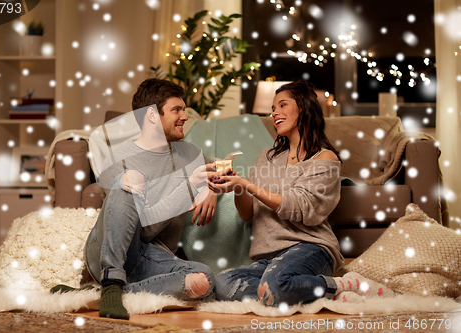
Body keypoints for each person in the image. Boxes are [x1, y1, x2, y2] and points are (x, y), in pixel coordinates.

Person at [210, 80, 394, 306]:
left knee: (276, 287)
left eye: (282, 105)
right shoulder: (267, 156)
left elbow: (298, 207)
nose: (275, 113)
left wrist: (246, 183)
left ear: (303, 108)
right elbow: (248, 214)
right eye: (273, 108)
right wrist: (237, 186)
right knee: (221, 284)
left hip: (308, 248)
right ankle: (308, 292)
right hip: (268, 256)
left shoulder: (325, 158)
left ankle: (344, 285)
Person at [51, 78, 223, 319]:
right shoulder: (121, 159)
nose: (185, 116)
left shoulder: (189, 154)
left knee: (203, 280)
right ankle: (111, 280)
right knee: (129, 182)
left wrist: (212, 189)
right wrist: (190, 186)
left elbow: (219, 168)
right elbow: (140, 230)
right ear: (152, 115)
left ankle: (98, 294)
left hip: (154, 257)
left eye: (183, 109)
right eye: (177, 110)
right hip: (114, 251)